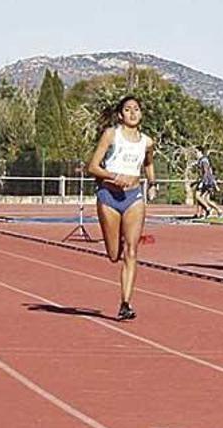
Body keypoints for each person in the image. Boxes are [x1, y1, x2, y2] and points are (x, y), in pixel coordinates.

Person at [85, 96, 157, 320]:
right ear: (120, 115)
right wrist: (114, 176)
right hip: (109, 197)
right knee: (114, 254)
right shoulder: (111, 135)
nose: (133, 113)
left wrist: (152, 183)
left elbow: (148, 163)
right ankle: (117, 240)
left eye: (136, 109)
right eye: (128, 110)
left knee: (132, 252)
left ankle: (125, 303)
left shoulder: (147, 141)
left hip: (133, 197)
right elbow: (93, 167)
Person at [191, 147, 222, 218]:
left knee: (198, 196)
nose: (196, 154)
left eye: (196, 152)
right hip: (206, 181)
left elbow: (206, 172)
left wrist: (202, 182)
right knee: (206, 199)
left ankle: (208, 209)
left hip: (206, 182)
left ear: (200, 152)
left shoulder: (204, 160)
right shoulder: (201, 160)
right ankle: (219, 210)